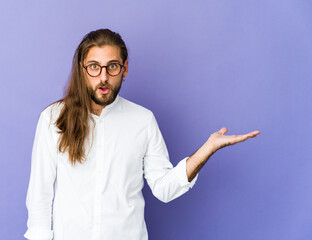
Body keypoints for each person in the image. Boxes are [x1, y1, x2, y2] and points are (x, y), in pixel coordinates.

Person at [24, 28, 260, 240]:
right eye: (94, 67)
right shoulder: (53, 119)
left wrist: (207, 149)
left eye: (112, 66)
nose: (103, 77)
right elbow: (40, 196)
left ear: (124, 69)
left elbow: (165, 188)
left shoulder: (143, 120)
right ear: (82, 69)